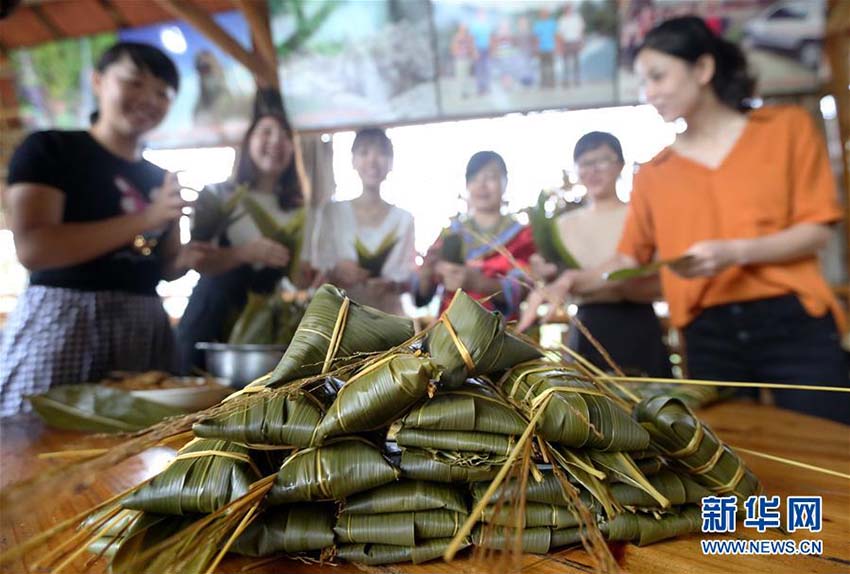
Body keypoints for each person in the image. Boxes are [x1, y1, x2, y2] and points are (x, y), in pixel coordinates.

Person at [524, 17, 849, 423]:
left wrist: (737, 252)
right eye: (644, 83)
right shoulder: (655, 173)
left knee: (828, 444)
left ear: (703, 69)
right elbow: (627, 261)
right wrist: (572, 280)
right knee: (734, 458)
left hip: (793, 318)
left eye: (658, 76)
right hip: (706, 333)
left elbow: (816, 231)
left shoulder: (786, 130)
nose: (650, 93)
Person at [0, 42, 195, 416]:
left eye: (162, 93)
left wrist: (194, 258)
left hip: (144, 325)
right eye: (134, 82)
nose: (148, 99)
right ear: (98, 81)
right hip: (63, 320)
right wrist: (148, 217)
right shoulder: (50, 149)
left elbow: (164, 266)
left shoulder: (159, 177)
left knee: (141, 454)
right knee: (35, 443)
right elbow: (34, 248)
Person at [520, 132, 671, 378]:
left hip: (640, 324)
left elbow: (661, 278)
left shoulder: (639, 216)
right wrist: (544, 275)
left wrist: (581, 281)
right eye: (585, 163)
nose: (593, 170)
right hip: (589, 325)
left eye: (602, 161)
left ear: (620, 164)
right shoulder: (561, 226)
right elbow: (552, 281)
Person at [176, 112, 312, 373]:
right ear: (248, 140)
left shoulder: (297, 209)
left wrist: (306, 279)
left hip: (266, 326)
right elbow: (197, 259)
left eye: (285, 136)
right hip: (212, 316)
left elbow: (293, 279)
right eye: (266, 132)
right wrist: (244, 253)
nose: (276, 142)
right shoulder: (217, 195)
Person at [415, 151, 535, 321]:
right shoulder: (451, 233)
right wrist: (426, 273)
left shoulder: (522, 235)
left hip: (501, 333)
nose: (481, 185)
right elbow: (423, 294)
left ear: (505, 182)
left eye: (490, 177)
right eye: (474, 178)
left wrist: (479, 284)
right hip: (450, 331)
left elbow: (525, 288)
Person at [311, 128, 415, 315]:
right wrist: (335, 272)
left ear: (391, 162)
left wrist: (392, 285)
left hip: (390, 321)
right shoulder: (331, 212)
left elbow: (408, 278)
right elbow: (315, 272)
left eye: (382, 153)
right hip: (340, 319)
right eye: (364, 152)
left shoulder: (404, 219)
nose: (373, 161)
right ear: (353, 160)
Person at [557, 3, 585, 87]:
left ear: (571, 9)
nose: (568, 10)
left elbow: (581, 30)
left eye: (569, 8)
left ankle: (577, 80)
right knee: (566, 63)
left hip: (575, 41)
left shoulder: (577, 18)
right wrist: (560, 45)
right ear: (564, 10)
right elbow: (560, 33)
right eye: (566, 9)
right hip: (566, 42)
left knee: (576, 62)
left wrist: (581, 41)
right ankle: (566, 81)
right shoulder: (562, 19)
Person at [533, 8, 558, 89]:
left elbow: (555, 36)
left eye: (545, 13)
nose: (544, 15)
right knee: (542, 67)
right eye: (542, 13)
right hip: (541, 48)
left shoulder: (552, 23)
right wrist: (536, 49)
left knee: (551, 67)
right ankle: (543, 83)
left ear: (548, 14)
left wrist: (556, 47)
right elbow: (536, 38)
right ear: (540, 15)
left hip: (550, 47)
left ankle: (552, 83)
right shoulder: (538, 24)